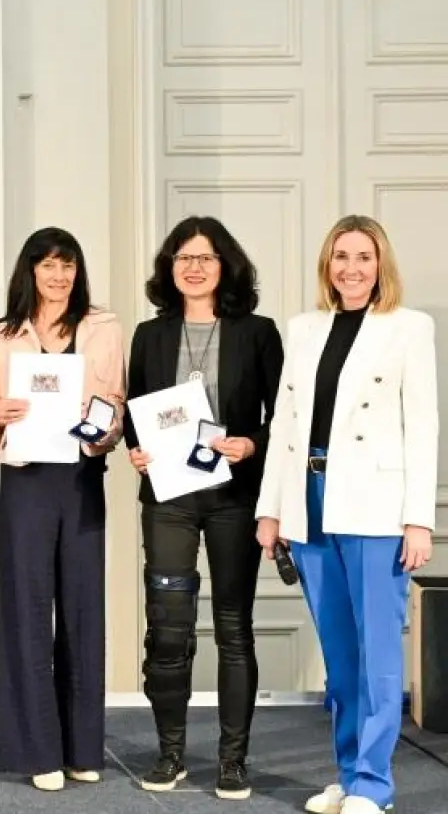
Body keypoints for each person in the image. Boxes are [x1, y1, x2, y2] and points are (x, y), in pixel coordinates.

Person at [255, 216, 436, 814]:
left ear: (381, 264)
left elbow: (423, 426)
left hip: (377, 507)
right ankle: (349, 775)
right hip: (310, 498)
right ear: (326, 264)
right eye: (341, 256)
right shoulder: (304, 329)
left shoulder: (410, 328)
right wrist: (271, 510)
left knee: (378, 655)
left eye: (363, 257)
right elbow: (284, 424)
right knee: (340, 657)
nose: (351, 268)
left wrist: (418, 518)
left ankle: (373, 787)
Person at [123, 216, 283, 800]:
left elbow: (282, 419)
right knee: (168, 631)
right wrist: (136, 450)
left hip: (233, 498)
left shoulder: (257, 332)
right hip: (168, 499)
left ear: (226, 266)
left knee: (234, 628)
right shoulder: (149, 334)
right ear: (170, 268)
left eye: (206, 258)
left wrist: (252, 445)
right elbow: (135, 412)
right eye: (183, 258)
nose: (194, 267)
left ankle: (233, 761)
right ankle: (170, 754)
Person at [0, 228, 124, 791]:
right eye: (48, 265)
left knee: (83, 609)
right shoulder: (2, 335)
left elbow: (117, 404)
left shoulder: (104, 327)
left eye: (67, 265)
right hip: (26, 481)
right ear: (31, 271)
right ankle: (37, 750)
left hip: (81, 476)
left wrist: (102, 429)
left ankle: (82, 748)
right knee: (26, 607)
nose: (58, 276)